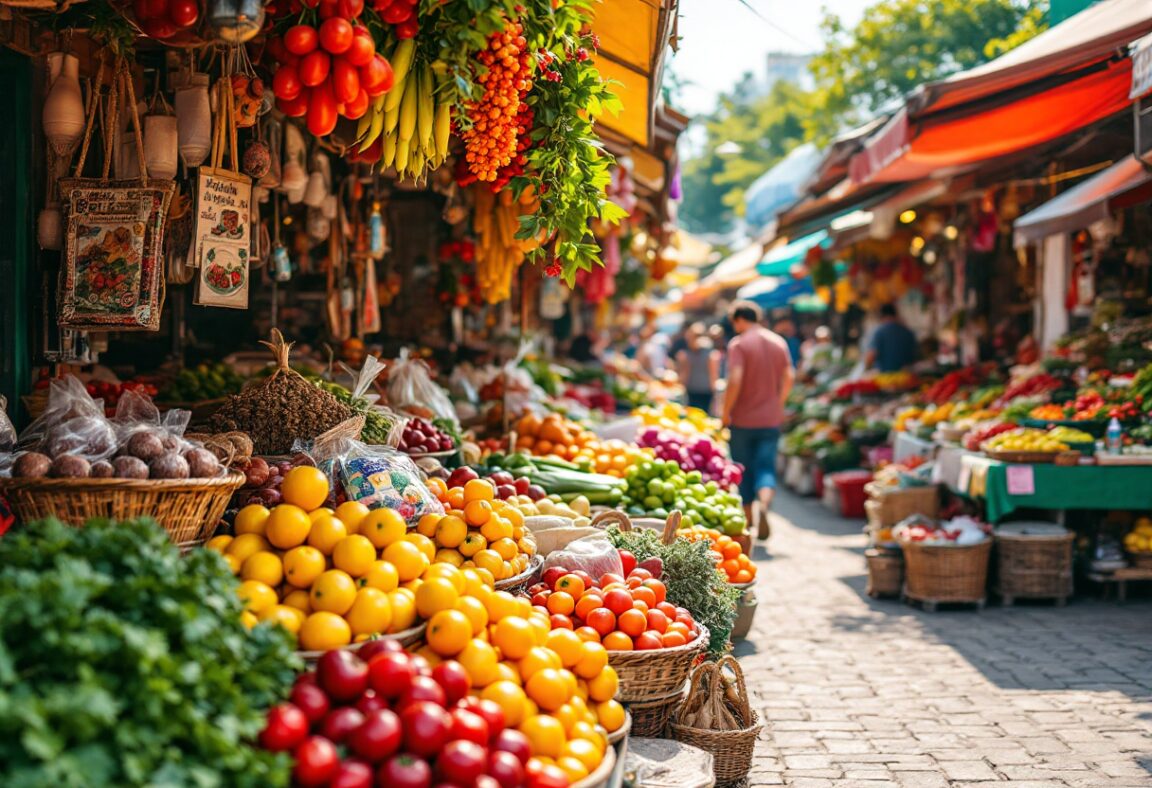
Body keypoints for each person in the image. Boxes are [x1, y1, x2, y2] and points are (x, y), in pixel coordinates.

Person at [721, 301, 794, 541]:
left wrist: (726, 411)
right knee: (765, 467)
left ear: (740, 319)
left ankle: (749, 517)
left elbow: (735, 379)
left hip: (743, 418)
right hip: (770, 418)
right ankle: (764, 503)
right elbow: (789, 376)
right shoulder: (777, 341)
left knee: (743, 469)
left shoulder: (739, 344)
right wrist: (778, 403)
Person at [677, 323, 720, 412]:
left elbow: (713, 374)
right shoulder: (687, 354)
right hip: (693, 390)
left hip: (705, 391)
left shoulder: (709, 354)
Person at [866, 304, 918, 372]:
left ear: (881, 316)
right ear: (895, 314)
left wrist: (867, 367)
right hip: (906, 375)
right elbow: (915, 356)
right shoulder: (907, 332)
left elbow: (871, 356)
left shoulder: (879, 332)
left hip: (885, 377)